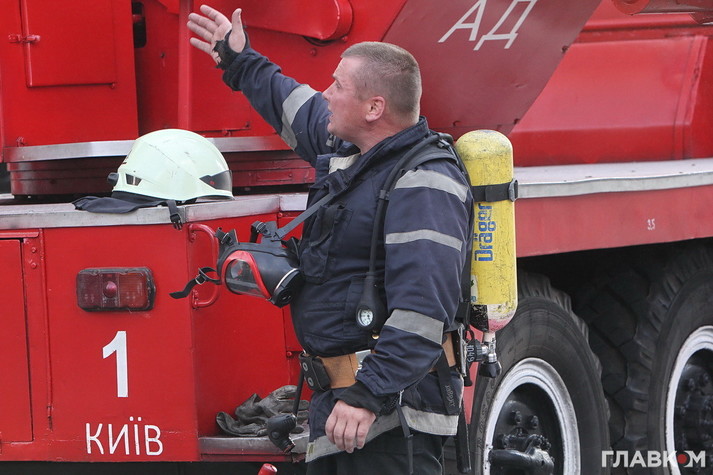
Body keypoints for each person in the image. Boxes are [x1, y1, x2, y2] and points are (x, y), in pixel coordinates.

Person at [188, 5, 473, 474]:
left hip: (389, 419)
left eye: (338, 85)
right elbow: (294, 104)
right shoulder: (355, 153)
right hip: (343, 410)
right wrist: (238, 59)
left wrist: (368, 394)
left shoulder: (424, 182)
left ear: (374, 108)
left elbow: (423, 310)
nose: (327, 93)